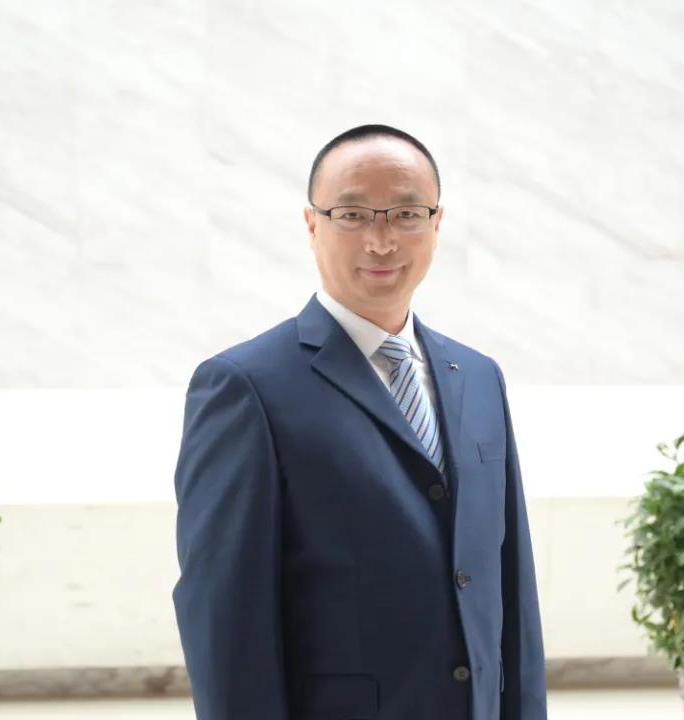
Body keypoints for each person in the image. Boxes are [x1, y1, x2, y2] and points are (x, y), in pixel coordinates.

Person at [172, 124, 546, 719]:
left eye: (406, 214)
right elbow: (225, 618)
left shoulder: (479, 377)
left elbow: (510, 585)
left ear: (437, 223)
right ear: (311, 224)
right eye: (352, 215)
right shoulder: (246, 388)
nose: (381, 241)